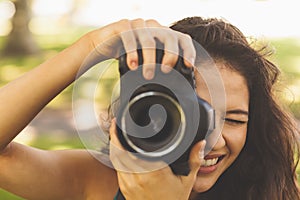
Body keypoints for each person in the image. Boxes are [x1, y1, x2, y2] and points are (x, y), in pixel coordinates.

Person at [0, 16, 299, 200]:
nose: (214, 139)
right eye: (196, 113)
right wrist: (88, 47)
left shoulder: (274, 193)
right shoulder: (101, 181)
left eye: (234, 120)